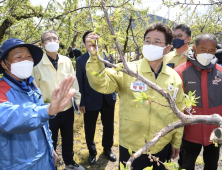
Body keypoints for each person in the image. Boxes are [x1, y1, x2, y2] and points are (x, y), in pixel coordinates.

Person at [84, 23, 185, 170]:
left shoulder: (174, 78)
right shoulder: (128, 70)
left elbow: (178, 111)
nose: (151, 45)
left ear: (167, 48)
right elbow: (101, 84)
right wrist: (94, 56)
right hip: (131, 146)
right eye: (147, 41)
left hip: (162, 145)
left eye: (157, 42)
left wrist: (176, 141)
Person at [0, 38, 76, 170]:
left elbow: (44, 127)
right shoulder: (2, 90)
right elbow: (7, 117)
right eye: (19, 57)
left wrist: (50, 149)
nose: (25, 60)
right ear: (4, 64)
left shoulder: (32, 86)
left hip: (44, 160)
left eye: (28, 56)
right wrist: (46, 111)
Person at [32, 31, 84, 170]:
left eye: (54, 38)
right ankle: (51, 165)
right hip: (48, 110)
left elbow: (74, 82)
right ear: (42, 45)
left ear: (59, 42)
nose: (52, 41)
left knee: (68, 137)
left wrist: (77, 99)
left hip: (67, 108)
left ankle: (69, 162)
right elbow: (34, 88)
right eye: (47, 39)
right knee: (50, 140)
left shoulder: (66, 61)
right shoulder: (37, 64)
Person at [175, 33, 221, 170]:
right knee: (186, 165)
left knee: (212, 164)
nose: (207, 53)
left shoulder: (220, 72)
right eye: (203, 49)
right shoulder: (180, 72)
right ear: (194, 49)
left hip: (215, 132)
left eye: (211, 51)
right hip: (189, 132)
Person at [76, 31, 117, 165]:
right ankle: (92, 152)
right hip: (90, 99)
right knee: (89, 128)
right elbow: (80, 82)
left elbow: (114, 75)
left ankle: (107, 149)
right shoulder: (81, 60)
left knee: (109, 126)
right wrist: (81, 101)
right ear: (85, 43)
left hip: (108, 98)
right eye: (90, 39)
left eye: (95, 38)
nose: (93, 41)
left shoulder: (106, 56)